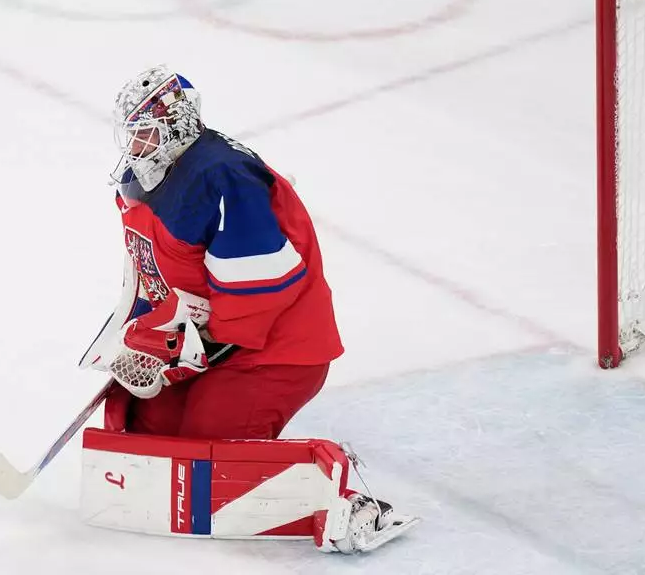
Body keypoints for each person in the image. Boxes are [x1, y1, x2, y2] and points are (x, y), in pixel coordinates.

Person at [80, 65, 416, 552]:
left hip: (275, 352)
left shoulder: (223, 177)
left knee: (202, 459)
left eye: (147, 133)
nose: (135, 147)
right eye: (131, 135)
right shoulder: (145, 174)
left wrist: (190, 344)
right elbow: (151, 266)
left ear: (177, 126)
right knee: (147, 430)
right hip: (214, 339)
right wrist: (148, 332)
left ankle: (341, 498)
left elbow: (264, 287)